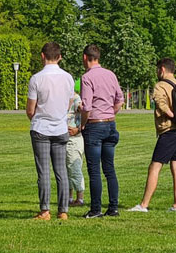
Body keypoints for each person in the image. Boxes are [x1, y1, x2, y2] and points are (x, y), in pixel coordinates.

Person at [129, 58, 176, 213]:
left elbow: (161, 104)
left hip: (169, 132)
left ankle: (144, 205)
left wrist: (172, 116)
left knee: (155, 166)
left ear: (162, 69)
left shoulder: (160, 86)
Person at [26, 42, 74, 220]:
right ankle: (63, 210)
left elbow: (31, 109)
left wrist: (37, 116)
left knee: (43, 171)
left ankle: (45, 210)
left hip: (41, 127)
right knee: (61, 171)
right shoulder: (68, 78)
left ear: (42, 56)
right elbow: (69, 102)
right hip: (60, 127)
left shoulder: (36, 78)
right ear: (59, 57)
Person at [79, 44, 124, 218]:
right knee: (109, 168)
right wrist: (110, 113)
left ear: (85, 58)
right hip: (110, 124)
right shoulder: (110, 74)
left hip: (94, 124)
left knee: (94, 170)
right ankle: (113, 207)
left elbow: (87, 106)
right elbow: (119, 100)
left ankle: (96, 208)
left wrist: (83, 124)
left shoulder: (87, 78)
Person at [66, 84, 85, 207]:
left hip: (73, 139)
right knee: (66, 170)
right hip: (64, 137)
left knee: (74, 168)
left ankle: (80, 198)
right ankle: (69, 197)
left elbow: (82, 108)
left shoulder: (76, 98)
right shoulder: (63, 98)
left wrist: (78, 129)